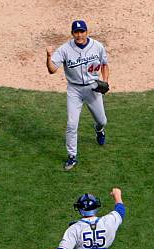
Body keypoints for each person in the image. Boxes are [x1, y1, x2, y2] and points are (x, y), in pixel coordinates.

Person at [46, 20, 110, 171]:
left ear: (87, 32)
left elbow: (105, 64)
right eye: (76, 32)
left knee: (102, 120)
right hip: (74, 90)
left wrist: (105, 81)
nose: (79, 35)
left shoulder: (97, 46)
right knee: (71, 125)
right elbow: (52, 70)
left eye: (82, 32)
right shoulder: (65, 49)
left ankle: (99, 130)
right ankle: (72, 156)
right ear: (72, 33)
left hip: (93, 88)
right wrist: (48, 56)